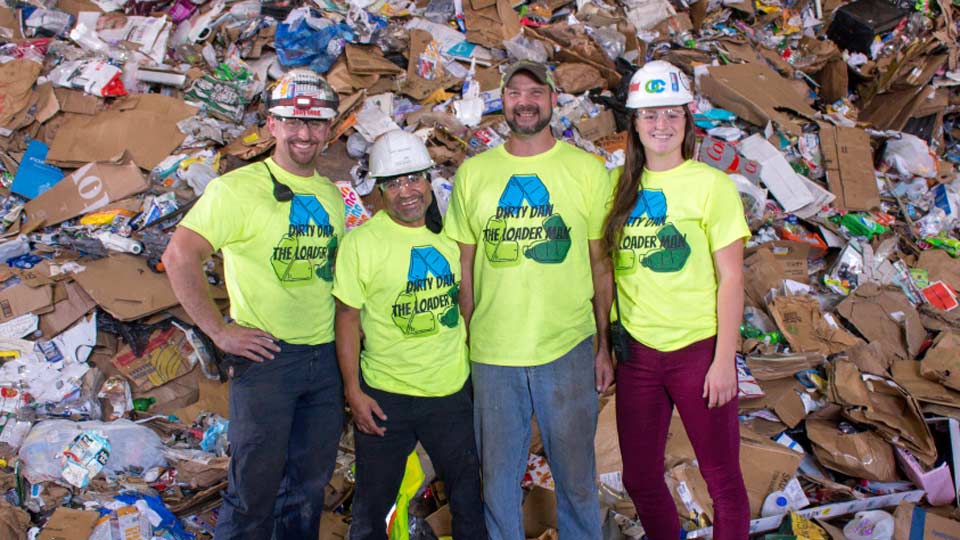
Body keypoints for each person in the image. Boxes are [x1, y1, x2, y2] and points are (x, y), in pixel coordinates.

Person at [162, 68, 346, 540]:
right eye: (293, 121)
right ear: (272, 125)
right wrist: (220, 332)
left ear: (329, 129)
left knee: (306, 489)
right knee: (253, 491)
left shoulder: (330, 194)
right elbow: (179, 254)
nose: (305, 133)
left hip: (324, 362)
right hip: (267, 361)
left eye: (316, 123)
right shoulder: (237, 189)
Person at [444, 60, 613, 540]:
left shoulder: (586, 171)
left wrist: (605, 345)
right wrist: (469, 340)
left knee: (577, 479)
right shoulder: (475, 174)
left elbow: (601, 266)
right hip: (494, 353)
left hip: (568, 347)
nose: (525, 101)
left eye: (535, 91)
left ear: (553, 99)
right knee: (496, 481)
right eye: (515, 92)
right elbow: (464, 268)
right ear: (502, 101)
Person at [602, 60, 751, 540]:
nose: (661, 125)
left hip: (697, 352)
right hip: (639, 358)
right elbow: (604, 270)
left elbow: (731, 279)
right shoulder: (616, 188)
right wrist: (605, 346)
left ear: (687, 122)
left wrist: (724, 360)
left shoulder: (712, 186)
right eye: (650, 115)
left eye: (672, 114)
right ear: (635, 124)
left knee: (721, 479)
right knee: (639, 477)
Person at [332, 130, 487, 540]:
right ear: (379, 191)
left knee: (470, 501)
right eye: (393, 183)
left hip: (450, 393)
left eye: (413, 179)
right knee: (371, 511)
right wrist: (354, 392)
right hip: (385, 397)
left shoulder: (452, 236)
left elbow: (465, 303)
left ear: (429, 179)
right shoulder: (361, 244)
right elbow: (347, 318)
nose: (406, 192)